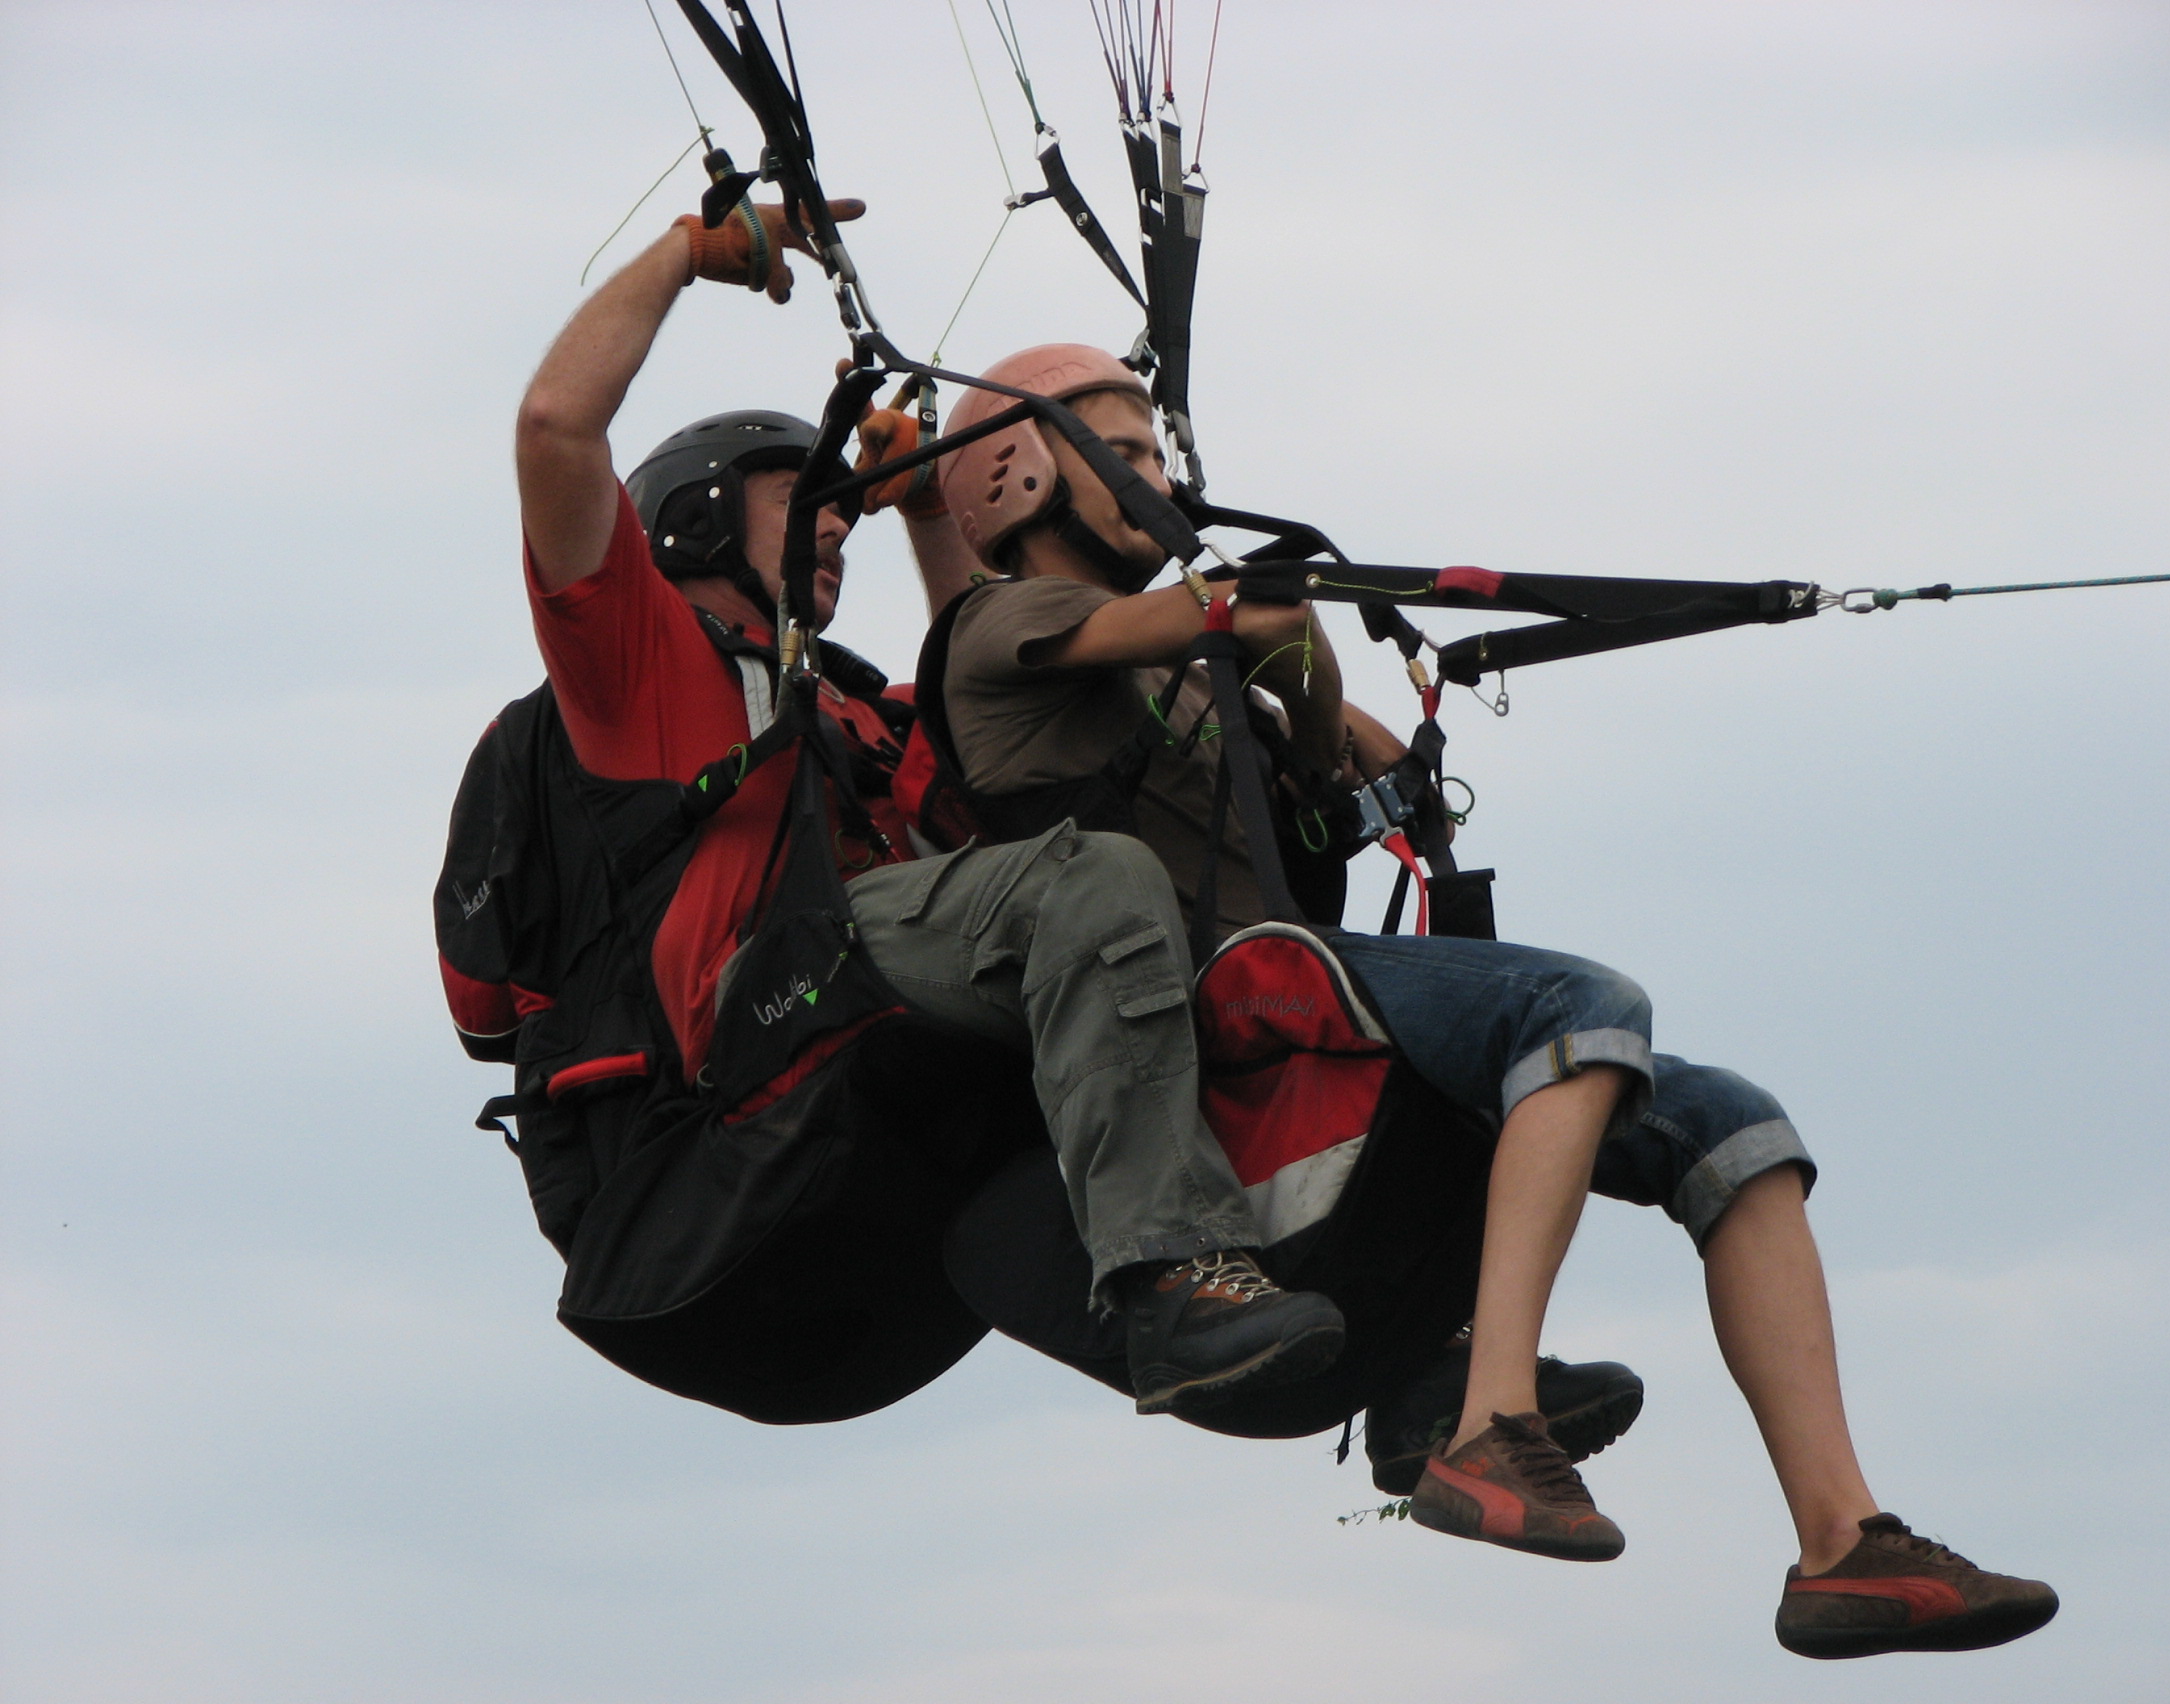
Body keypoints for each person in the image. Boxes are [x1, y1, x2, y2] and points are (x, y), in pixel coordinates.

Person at [925, 342, 2059, 1660]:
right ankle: (1487, 1416)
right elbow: (1202, 620)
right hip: (1207, 1004)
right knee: (1576, 1006)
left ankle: (1841, 1544)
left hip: (1299, 989)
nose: (1159, 483)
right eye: (1121, 453)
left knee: (1730, 1125)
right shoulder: (996, 628)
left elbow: (1340, 737)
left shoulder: (1189, 677)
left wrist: (1321, 695)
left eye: (1155, 455)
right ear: (1016, 477)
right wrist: (1267, 629)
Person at [508, 203, 1347, 1418]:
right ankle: (1173, 1274)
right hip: (763, 1014)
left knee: (1191, 939)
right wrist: (687, 253)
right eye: (798, 498)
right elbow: (553, 427)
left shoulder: (847, 709)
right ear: (695, 518)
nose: (831, 524)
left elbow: (988, 716)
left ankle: (1395, 1342)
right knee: (1091, 878)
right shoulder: (642, 671)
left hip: (871, 988)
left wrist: (923, 511)